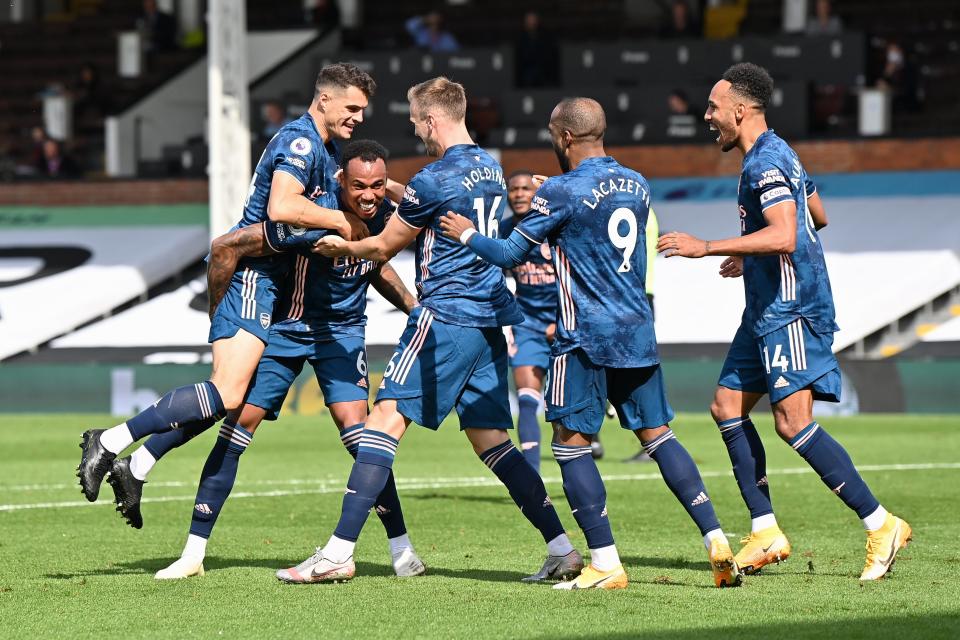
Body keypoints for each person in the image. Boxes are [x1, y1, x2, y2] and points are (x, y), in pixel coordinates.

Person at [285, 76, 583, 584]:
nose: (410, 125)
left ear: (430, 120)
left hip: (444, 316)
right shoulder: (490, 167)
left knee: (382, 423)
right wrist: (403, 189)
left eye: (413, 117)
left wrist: (341, 249)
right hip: (489, 317)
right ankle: (561, 548)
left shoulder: (433, 178)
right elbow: (437, 202)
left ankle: (338, 552)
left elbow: (381, 248)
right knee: (491, 441)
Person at [439, 97, 742, 590]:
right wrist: (550, 194)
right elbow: (592, 212)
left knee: (571, 446)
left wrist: (469, 232)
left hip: (584, 336)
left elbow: (511, 252)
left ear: (563, 138)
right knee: (659, 437)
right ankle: (715, 537)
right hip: (638, 330)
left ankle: (605, 562)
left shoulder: (560, 191)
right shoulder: (637, 184)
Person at [109, 141, 426, 581]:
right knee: (236, 423)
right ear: (340, 181)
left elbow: (378, 266)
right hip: (286, 330)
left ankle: (401, 549)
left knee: (363, 439)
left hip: (342, 334)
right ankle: (192, 552)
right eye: (359, 186)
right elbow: (252, 237)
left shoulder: (387, 218)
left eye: (377, 185)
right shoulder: (315, 210)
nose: (369, 195)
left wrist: (414, 307)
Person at [77, 63, 375, 504]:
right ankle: (110, 441)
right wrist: (341, 220)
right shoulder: (301, 142)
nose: (359, 117)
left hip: (272, 286)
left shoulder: (327, 150)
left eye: (363, 110)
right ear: (325, 99)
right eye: (352, 107)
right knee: (228, 391)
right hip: (255, 272)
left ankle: (136, 464)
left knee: (230, 400)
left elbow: (362, 187)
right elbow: (281, 207)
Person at [661, 62, 912, 581]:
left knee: (792, 423)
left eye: (713, 108)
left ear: (740, 109)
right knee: (727, 406)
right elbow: (815, 214)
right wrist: (752, 252)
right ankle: (766, 529)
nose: (708, 117)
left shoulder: (764, 163)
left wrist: (707, 247)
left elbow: (787, 235)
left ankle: (881, 523)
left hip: (791, 308)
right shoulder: (779, 153)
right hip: (764, 308)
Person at [500, 170, 558, 473]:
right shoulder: (505, 230)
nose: (519, 194)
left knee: (565, 407)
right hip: (527, 324)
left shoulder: (555, 228)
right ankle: (532, 477)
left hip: (564, 323)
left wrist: (561, 321)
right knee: (526, 399)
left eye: (525, 188)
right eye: (514, 189)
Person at [514, 11, 559, 88]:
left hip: (543, 68)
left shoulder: (545, 35)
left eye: (533, 19)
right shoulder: (520, 37)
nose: (531, 22)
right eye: (529, 20)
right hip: (527, 69)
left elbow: (549, 54)